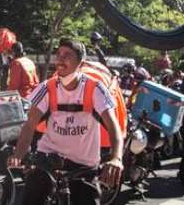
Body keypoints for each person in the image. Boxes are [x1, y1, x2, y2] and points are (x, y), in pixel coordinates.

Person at [8, 39, 123, 205]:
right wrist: (18, 155)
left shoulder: (95, 88)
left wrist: (116, 159)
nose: (60, 59)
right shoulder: (47, 88)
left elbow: (114, 128)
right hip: (48, 157)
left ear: (80, 63)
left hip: (84, 165)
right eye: (58, 55)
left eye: (67, 55)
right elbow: (29, 124)